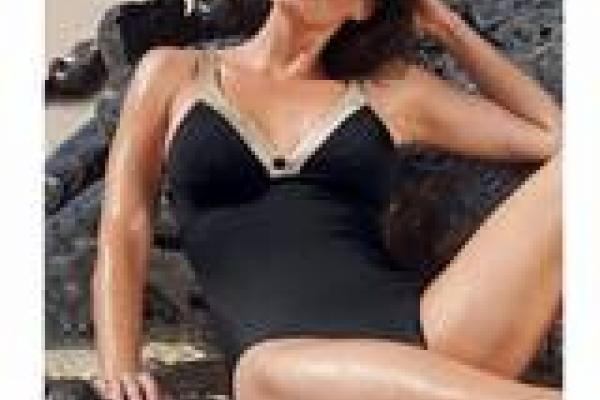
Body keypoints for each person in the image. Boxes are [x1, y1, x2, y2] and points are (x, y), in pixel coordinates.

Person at [91, 0, 563, 399]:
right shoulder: (174, 72)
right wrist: (120, 364)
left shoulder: (392, 91)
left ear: (363, 9)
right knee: (262, 370)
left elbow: (554, 136)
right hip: (284, 371)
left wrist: (447, 27)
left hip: (431, 338)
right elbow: (126, 222)